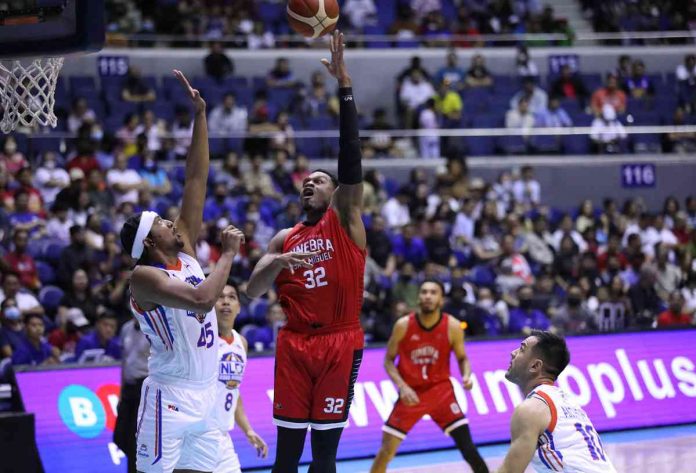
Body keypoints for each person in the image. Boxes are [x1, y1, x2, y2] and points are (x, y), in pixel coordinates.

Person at [246, 31, 367, 473]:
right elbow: (251, 293)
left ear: (336, 193)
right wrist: (273, 263)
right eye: (305, 180)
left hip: (339, 339)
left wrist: (345, 87)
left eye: (319, 179)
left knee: (325, 457)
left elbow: (351, 157)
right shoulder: (284, 237)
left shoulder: (346, 221)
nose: (309, 182)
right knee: (286, 458)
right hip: (295, 343)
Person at [121, 70, 245, 473]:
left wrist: (200, 116)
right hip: (169, 399)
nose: (170, 222)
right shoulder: (144, 278)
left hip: (207, 395)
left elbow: (196, 177)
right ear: (149, 242)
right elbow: (202, 298)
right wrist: (227, 254)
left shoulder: (185, 250)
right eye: (160, 222)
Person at [370, 280, 489, 473]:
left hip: (441, 392)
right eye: (424, 292)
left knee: (468, 449)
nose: (427, 296)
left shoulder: (452, 326)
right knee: (386, 451)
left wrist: (466, 375)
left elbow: (462, 358)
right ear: (418, 297)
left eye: (433, 292)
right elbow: (388, 361)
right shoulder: (403, 325)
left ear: (441, 299)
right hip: (411, 395)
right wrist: (402, 386)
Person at [497, 331, 617, 472]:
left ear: (535, 366)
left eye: (522, 349)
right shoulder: (567, 402)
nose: (513, 353)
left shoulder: (530, 410)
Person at [213, 282, 268, 473]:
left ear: (239, 308)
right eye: (220, 297)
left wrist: (248, 430)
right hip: (196, 436)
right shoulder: (201, 341)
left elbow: (233, 391)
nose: (226, 302)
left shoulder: (240, 342)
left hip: (223, 438)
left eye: (231, 297)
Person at [113, 318, 149, 473]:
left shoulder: (154, 328)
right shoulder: (126, 328)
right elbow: (125, 361)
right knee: (120, 437)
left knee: (136, 441)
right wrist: (121, 393)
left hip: (145, 387)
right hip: (128, 388)